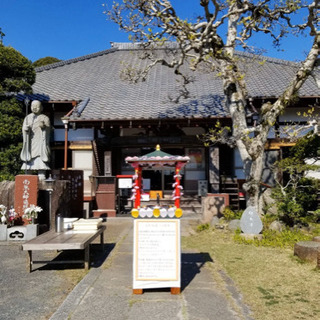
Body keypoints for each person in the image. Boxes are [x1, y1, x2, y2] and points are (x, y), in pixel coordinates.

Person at [20, 100, 51, 174]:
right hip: (30, 142)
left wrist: (44, 127)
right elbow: (24, 129)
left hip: (40, 143)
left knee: (41, 163)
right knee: (28, 168)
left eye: (37, 107)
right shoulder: (28, 118)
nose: (34, 108)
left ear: (41, 108)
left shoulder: (45, 118)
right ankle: (28, 175)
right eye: (33, 106)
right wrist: (25, 129)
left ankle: (41, 174)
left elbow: (48, 130)